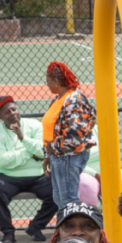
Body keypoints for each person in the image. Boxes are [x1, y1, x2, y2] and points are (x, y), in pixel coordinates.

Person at [0, 94, 55, 243]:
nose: (12, 113)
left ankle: (36, 227)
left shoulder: (34, 125)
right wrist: (29, 153)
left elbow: (43, 150)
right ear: (0, 117)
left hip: (37, 175)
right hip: (7, 176)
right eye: (7, 112)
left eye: (14, 109)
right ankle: (8, 233)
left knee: (58, 187)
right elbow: (2, 161)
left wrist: (24, 139)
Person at [42, 61, 96, 210]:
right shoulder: (59, 99)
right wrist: (48, 155)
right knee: (60, 199)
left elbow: (75, 136)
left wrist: (52, 148)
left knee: (69, 201)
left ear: (56, 81)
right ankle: (66, 231)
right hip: (58, 156)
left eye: (48, 81)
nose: (47, 85)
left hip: (69, 156)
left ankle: (73, 232)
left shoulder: (74, 100)